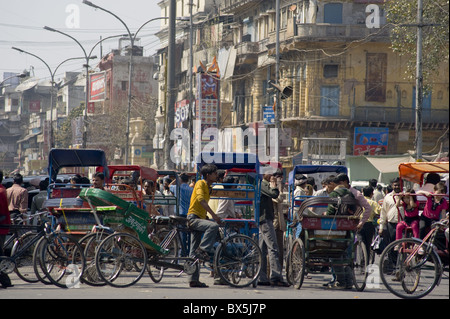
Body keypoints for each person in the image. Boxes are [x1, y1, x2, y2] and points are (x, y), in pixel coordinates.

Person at [187, 164, 222, 288]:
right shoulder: (200, 183)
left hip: (200, 219)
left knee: (193, 252)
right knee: (213, 227)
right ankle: (202, 251)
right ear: (208, 175)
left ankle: (193, 280)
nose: (216, 175)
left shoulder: (209, 187)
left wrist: (208, 217)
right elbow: (201, 201)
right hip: (193, 219)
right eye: (214, 173)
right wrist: (215, 216)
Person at [258, 172, 289, 287]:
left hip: (265, 219)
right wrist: (274, 185)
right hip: (265, 220)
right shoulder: (264, 184)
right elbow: (274, 194)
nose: (274, 177)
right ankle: (276, 277)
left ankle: (262, 277)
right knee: (273, 248)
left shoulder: (262, 184)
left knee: (262, 249)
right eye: (272, 175)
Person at [378, 177, 403, 245]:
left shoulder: (406, 196)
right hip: (391, 224)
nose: (397, 187)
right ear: (392, 186)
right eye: (395, 185)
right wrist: (381, 227)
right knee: (391, 245)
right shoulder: (387, 197)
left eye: (399, 185)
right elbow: (383, 213)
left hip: (403, 224)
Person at [0, 170, 13, 288]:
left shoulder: (0, 191)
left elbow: (1, 213)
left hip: (1, 227)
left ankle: (5, 280)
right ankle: (5, 280)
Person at [361, 186, 381, 250]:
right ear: (371, 194)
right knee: (368, 244)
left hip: (359, 223)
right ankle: (367, 258)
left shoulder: (358, 202)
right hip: (369, 224)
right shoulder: (373, 203)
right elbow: (380, 211)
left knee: (360, 240)